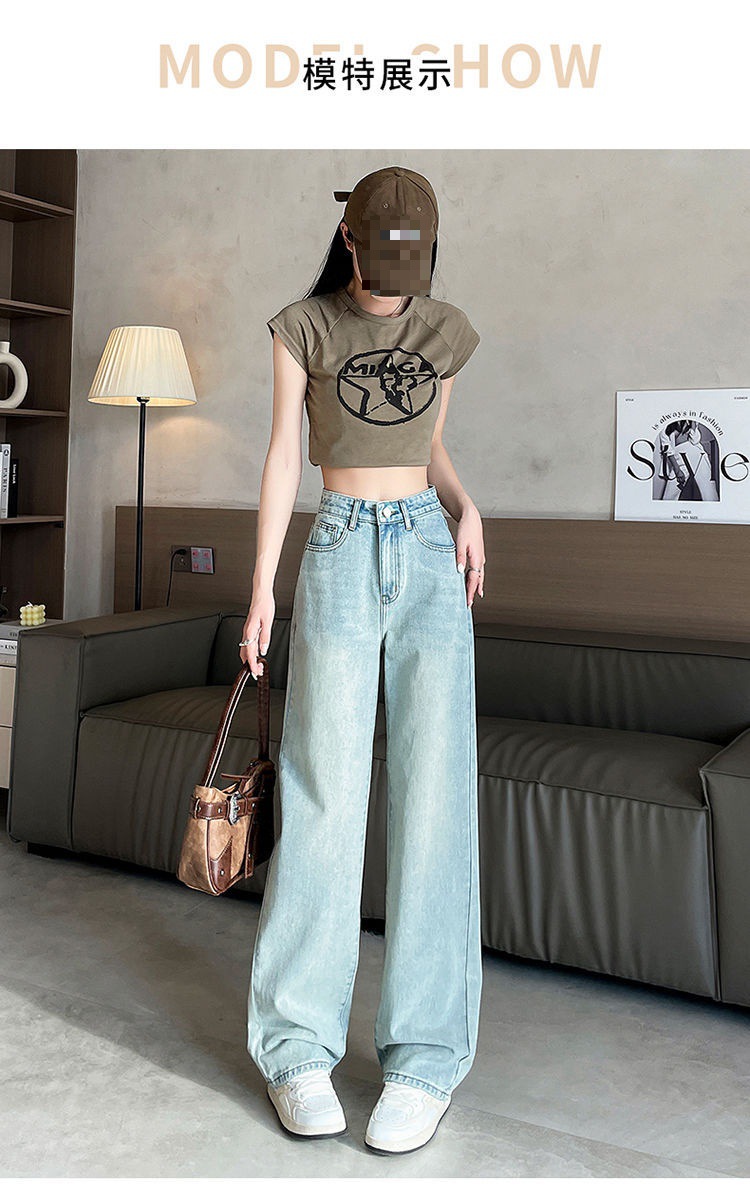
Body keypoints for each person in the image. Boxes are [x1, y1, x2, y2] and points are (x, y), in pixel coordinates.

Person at [240, 165, 485, 1155]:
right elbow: (282, 456)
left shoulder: (446, 329)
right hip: (340, 544)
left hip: (427, 548)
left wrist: (466, 506)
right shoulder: (302, 327)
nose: (395, 278)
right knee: (323, 796)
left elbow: (426, 443)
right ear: (349, 239)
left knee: (434, 801)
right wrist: (262, 586)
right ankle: (296, 1049)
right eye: (381, 256)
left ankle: (425, 1060)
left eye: (412, 260)